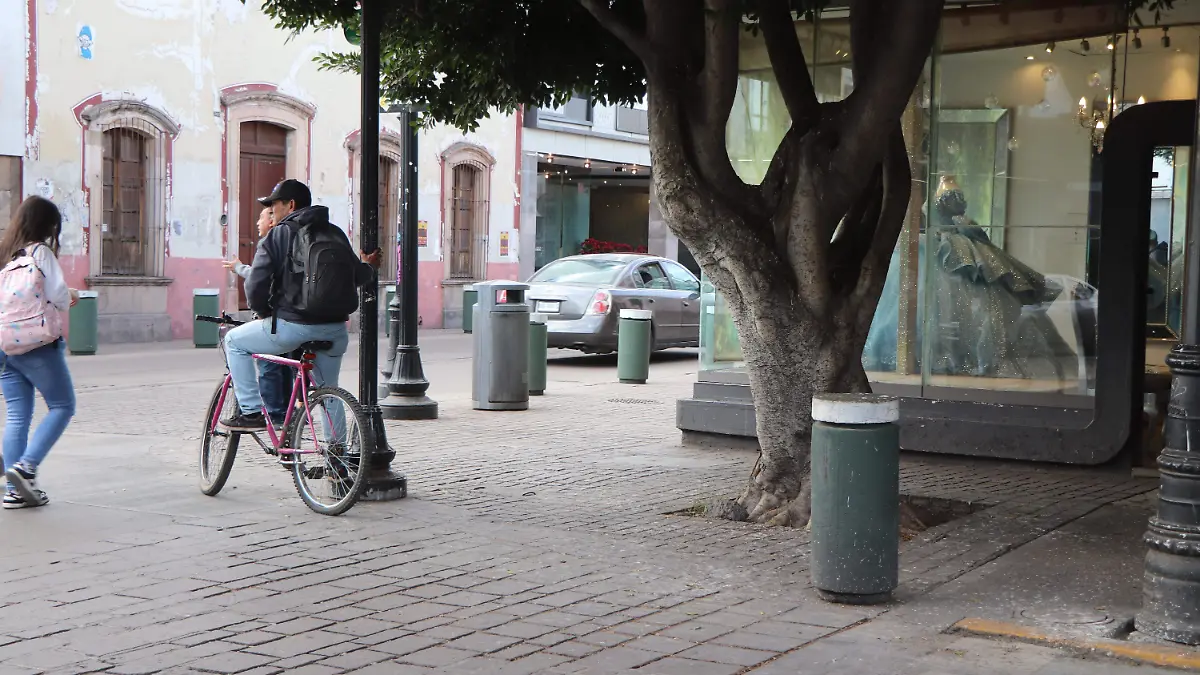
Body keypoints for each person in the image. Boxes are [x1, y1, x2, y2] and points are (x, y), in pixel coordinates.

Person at [221, 179, 376, 431]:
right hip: (335, 329)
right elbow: (358, 276)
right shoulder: (335, 233)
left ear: (290, 205)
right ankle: (337, 458)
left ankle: (250, 411)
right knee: (328, 392)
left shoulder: (279, 234)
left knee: (234, 342)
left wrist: (263, 314)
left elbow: (255, 284)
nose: (272, 211)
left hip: (292, 326)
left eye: (275, 205)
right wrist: (369, 266)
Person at [0, 196, 78, 509]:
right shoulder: (40, 252)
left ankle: (13, 489)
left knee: (18, 415)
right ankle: (26, 466)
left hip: (5, 345)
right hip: (38, 344)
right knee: (62, 405)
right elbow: (58, 296)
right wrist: (71, 296)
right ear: (47, 225)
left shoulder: (4, 253)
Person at [223, 206, 292, 427]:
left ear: (271, 221)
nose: (257, 224)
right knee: (282, 365)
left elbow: (258, 278)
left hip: (274, 316)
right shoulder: (290, 239)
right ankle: (287, 413)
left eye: (260, 218)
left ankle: (267, 414)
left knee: (265, 362)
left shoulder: (270, 242)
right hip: (292, 314)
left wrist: (239, 268)